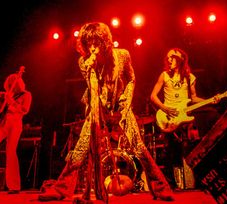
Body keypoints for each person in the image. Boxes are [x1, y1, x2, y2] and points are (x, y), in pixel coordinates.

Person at [38, 22, 175, 202]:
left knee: (140, 149)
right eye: (88, 42)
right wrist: (92, 70)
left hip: (121, 109)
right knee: (79, 150)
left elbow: (132, 79)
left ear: (105, 41)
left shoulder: (123, 56)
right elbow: (93, 87)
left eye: (96, 41)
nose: (92, 46)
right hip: (98, 109)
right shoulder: (84, 62)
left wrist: (126, 99)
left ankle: (161, 189)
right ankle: (61, 189)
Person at [150, 48, 220, 189]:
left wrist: (210, 100)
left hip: (184, 114)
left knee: (211, 114)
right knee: (170, 149)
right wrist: (164, 108)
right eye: (168, 57)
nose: (168, 60)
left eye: (172, 57)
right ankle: (170, 182)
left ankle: (198, 179)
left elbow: (193, 98)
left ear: (180, 59)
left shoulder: (190, 77)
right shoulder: (164, 75)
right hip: (168, 116)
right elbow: (153, 96)